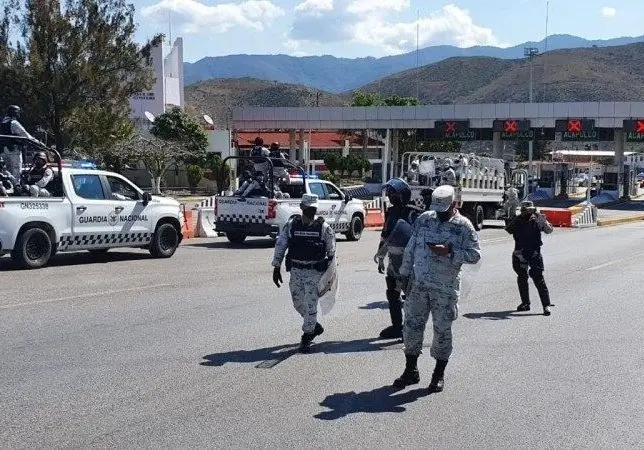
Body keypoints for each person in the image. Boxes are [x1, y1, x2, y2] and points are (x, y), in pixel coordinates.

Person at [394, 185, 481, 392]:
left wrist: (451, 252)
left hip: (445, 289)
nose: (440, 214)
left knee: (442, 331)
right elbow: (411, 247)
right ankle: (411, 371)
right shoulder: (424, 219)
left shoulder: (464, 226)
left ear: (454, 204)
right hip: (419, 285)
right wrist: (404, 274)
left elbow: (475, 255)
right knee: (412, 327)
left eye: (445, 209)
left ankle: (438, 374)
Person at [272, 194, 336, 353]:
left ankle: (307, 336)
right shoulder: (292, 225)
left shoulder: (324, 228)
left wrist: (329, 277)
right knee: (297, 302)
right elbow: (281, 244)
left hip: (314, 272)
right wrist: (276, 266)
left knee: (310, 303)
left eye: (313, 208)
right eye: (308, 208)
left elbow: (332, 253)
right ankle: (313, 326)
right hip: (296, 270)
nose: (311, 211)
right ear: (302, 207)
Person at [375, 178, 422, 339]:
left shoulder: (413, 213)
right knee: (392, 293)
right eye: (389, 193)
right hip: (393, 260)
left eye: (393, 193)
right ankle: (397, 327)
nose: (390, 196)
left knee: (409, 295)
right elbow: (385, 235)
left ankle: (409, 329)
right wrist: (380, 256)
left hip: (409, 261)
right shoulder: (391, 212)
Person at [505, 201, 553, 316]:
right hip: (520, 253)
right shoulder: (517, 220)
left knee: (539, 278)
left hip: (534, 253)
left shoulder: (537, 220)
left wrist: (542, 219)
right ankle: (525, 303)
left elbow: (549, 230)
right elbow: (508, 229)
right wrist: (520, 217)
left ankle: (546, 305)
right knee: (522, 278)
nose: (529, 212)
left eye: (531, 210)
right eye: (527, 210)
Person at [1, 105, 44, 181]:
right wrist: (39, 143)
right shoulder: (14, 123)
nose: (19, 114)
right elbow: (26, 136)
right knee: (16, 174)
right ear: (14, 113)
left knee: (6, 173)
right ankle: (16, 190)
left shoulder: (1, 122)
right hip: (13, 152)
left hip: (2, 152)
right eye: (18, 112)